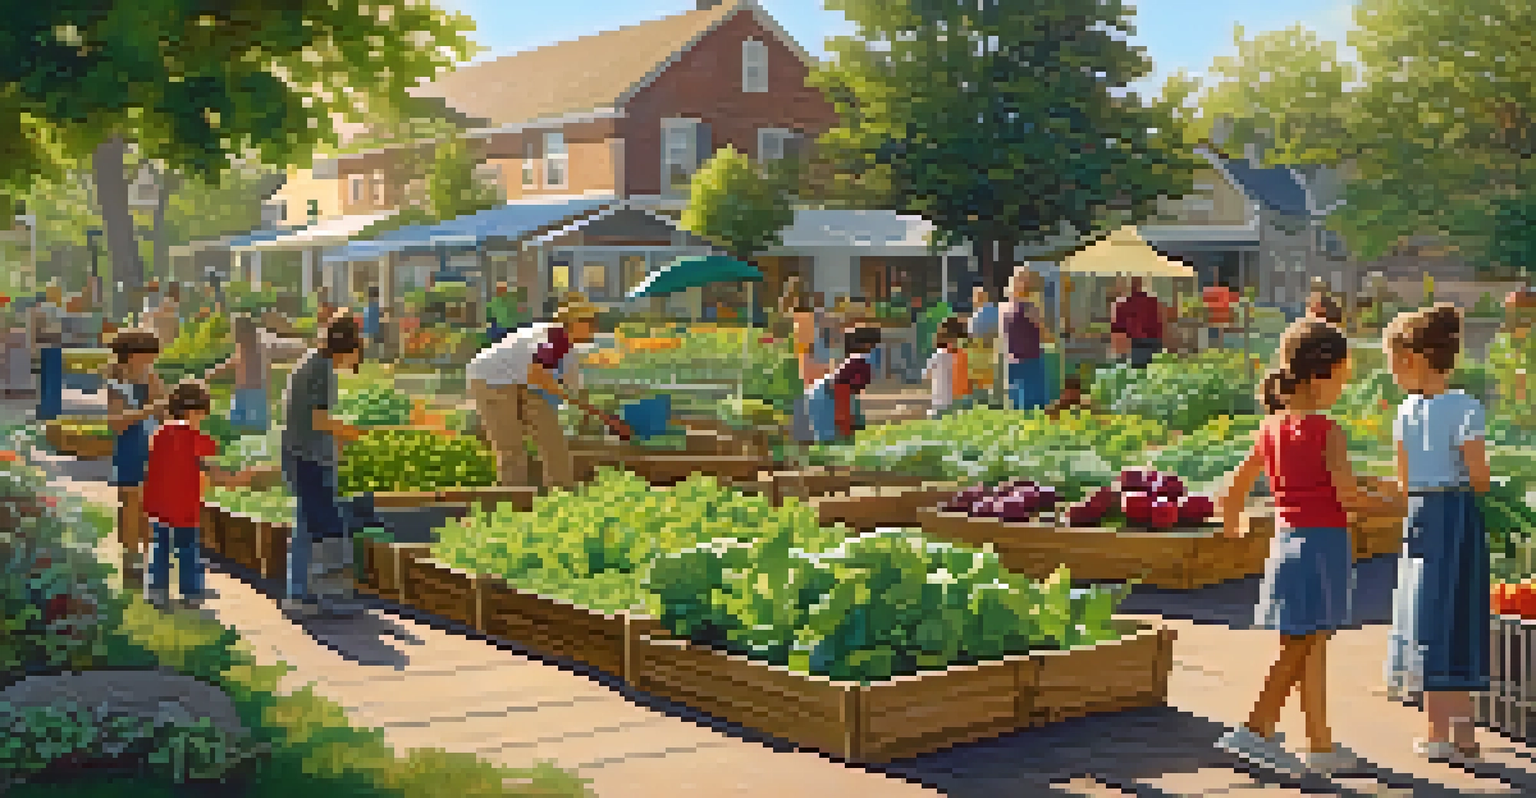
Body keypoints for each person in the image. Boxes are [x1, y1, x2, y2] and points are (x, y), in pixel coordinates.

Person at [1214, 319, 1398, 776]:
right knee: (1299, 647)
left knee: (1309, 645)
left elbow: (1235, 485)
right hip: (1322, 549)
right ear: (1320, 377)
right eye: (1342, 376)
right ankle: (1254, 730)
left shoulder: (1272, 428)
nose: (1344, 385)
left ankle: (1319, 744)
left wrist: (1233, 522)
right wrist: (1403, 506)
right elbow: (1348, 498)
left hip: (1286, 544)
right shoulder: (1326, 432)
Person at [1382, 303, 1491, 762]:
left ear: (1414, 359)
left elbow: (1404, 482)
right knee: (1459, 614)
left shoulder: (1405, 414)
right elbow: (1480, 477)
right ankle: (1464, 736)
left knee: (1427, 617)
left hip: (1422, 517)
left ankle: (1436, 733)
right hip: (1459, 517)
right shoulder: (1466, 408)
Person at [466, 292, 630, 490]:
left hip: (523, 381)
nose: (595, 327)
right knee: (511, 445)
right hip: (491, 379)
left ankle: (563, 495)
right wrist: (597, 413)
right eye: (590, 322)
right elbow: (538, 375)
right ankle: (515, 503)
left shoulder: (568, 350)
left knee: (553, 441)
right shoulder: (552, 339)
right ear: (574, 323)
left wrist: (601, 417)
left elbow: (574, 389)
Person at [280, 313, 368, 618]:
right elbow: (319, 419)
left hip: (299, 452)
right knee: (324, 527)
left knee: (306, 525)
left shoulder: (311, 362)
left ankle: (299, 594)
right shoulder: (323, 370)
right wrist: (351, 432)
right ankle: (325, 596)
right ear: (349, 348)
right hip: (308, 457)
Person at [141, 381, 219, 610]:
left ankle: (156, 589)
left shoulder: (159, 433)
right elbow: (210, 462)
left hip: (159, 503)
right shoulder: (196, 438)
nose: (202, 420)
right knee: (187, 549)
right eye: (201, 414)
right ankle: (190, 591)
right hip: (185, 504)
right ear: (192, 411)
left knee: (160, 545)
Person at [104, 330, 170, 588]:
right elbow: (116, 423)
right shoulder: (116, 385)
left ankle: (147, 557)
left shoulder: (151, 379)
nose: (150, 363)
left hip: (153, 447)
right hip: (130, 446)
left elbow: (164, 412)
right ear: (131, 357)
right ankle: (131, 559)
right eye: (147, 358)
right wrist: (149, 410)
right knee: (130, 502)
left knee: (149, 505)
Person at [800, 325, 879, 443]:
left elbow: (853, 382)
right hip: (835, 388)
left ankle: (832, 436)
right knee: (837, 417)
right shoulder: (860, 360)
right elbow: (854, 382)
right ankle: (836, 436)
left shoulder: (855, 359)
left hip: (832, 387)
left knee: (830, 416)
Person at [1000, 266, 1050, 411]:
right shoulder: (1028, 306)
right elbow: (1045, 332)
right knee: (1030, 404)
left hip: (1019, 360)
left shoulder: (1007, 307)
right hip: (1026, 360)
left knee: (1022, 405)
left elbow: (1005, 335)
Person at [1112, 276, 1166, 368]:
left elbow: (1118, 328)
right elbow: (1160, 322)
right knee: (1154, 371)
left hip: (1140, 342)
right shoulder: (1151, 301)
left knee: (1141, 372)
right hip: (1151, 340)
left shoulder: (1124, 304)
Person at [922, 319, 961, 419]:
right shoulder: (961, 355)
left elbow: (926, 375)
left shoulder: (937, 355)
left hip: (939, 404)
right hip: (958, 403)